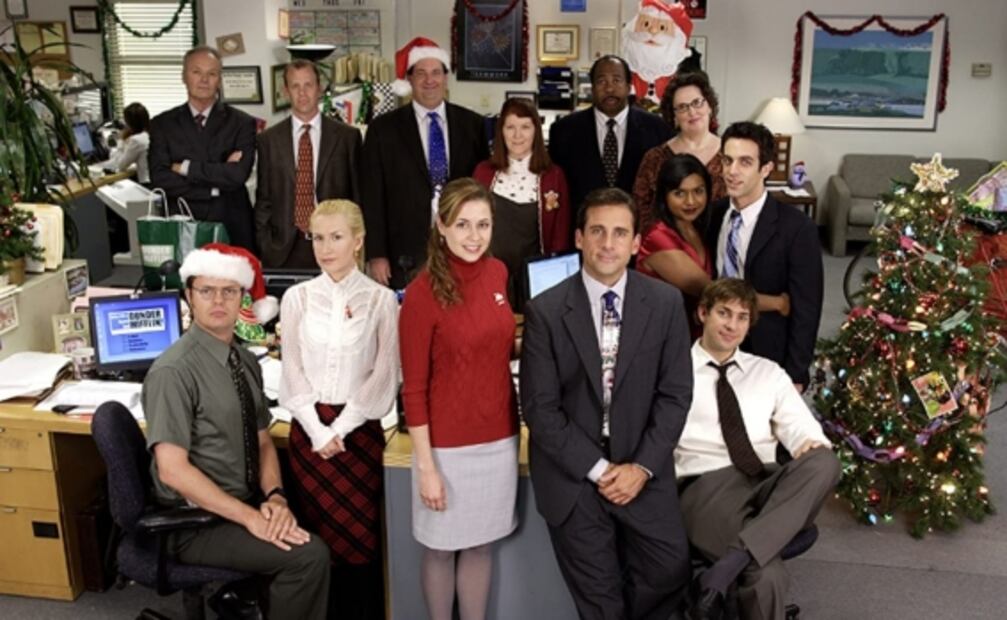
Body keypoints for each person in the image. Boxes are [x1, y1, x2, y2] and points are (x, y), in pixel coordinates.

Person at [520, 187, 693, 619]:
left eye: (620, 233)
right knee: (601, 601)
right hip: (575, 475)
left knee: (670, 569)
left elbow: (675, 395)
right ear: (579, 238)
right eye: (597, 231)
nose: (608, 243)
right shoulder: (545, 311)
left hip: (641, 466)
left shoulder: (666, 304)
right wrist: (599, 471)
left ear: (636, 243)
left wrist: (640, 468)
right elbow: (540, 409)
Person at [142, 243, 329, 620]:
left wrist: (276, 497)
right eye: (206, 291)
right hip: (195, 522)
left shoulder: (244, 361)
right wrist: (251, 518)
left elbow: (263, 441)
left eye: (229, 291)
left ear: (242, 298)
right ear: (189, 297)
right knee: (308, 557)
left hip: (241, 502)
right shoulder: (173, 372)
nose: (218, 301)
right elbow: (172, 471)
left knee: (321, 518)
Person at [677, 278, 839, 620]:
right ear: (703, 313)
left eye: (742, 317)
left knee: (825, 461)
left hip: (766, 482)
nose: (732, 325)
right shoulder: (672, 372)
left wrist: (807, 443)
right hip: (707, 487)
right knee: (767, 575)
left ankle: (726, 568)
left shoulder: (768, 373)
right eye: (724, 313)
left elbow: (800, 426)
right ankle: (735, 566)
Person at [399, 178, 518, 620]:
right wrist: (427, 468)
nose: (474, 236)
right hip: (445, 449)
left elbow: (495, 343)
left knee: (481, 545)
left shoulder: (498, 272)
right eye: (463, 224)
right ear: (442, 226)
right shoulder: (421, 293)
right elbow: (413, 387)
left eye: (483, 225)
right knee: (440, 549)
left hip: (499, 437)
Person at [279, 199, 398, 619]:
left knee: (360, 541)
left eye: (336, 237)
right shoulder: (296, 298)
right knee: (316, 542)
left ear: (358, 241)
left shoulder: (382, 300)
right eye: (318, 238)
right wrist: (318, 431)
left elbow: (383, 375)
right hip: (309, 435)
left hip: (357, 436)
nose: (325, 248)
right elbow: (291, 370)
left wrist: (339, 430)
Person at [361, 37, 488, 290]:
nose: (429, 80)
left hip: (461, 247)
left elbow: (481, 190)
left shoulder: (472, 125)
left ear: (445, 77)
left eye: (436, 72)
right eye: (421, 73)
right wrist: (377, 254)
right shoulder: (382, 130)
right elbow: (372, 196)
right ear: (409, 79)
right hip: (404, 255)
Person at [707, 121, 823, 390]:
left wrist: (796, 374)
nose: (732, 171)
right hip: (715, 346)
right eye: (728, 160)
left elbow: (807, 309)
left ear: (766, 169)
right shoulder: (713, 214)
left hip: (767, 351)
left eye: (745, 162)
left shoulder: (797, 228)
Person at [637, 154, 789, 339]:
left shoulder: (697, 227)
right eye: (679, 193)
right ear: (664, 196)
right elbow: (715, 293)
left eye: (698, 191)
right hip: (663, 336)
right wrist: (778, 303)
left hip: (696, 332)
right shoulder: (657, 238)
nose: (691, 201)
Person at [548, 55, 672, 240]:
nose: (609, 88)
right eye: (601, 81)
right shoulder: (563, 131)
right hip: (584, 240)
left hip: (639, 239)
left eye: (616, 80)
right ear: (592, 87)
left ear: (629, 86)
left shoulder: (658, 130)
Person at [148, 46, 257, 251]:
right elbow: (160, 177)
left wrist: (184, 168)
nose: (204, 80)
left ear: (220, 80)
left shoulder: (242, 122)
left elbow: (237, 175)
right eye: (196, 72)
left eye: (212, 73)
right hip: (183, 221)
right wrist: (215, 186)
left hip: (231, 224)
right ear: (183, 76)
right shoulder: (162, 124)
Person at [255, 60, 362, 268]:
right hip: (283, 248)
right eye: (295, 86)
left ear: (319, 88)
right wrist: (265, 245)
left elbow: (357, 196)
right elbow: (263, 200)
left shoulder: (347, 137)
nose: (302, 93)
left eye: (308, 85)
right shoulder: (269, 140)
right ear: (286, 91)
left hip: (335, 245)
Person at [472, 97, 571, 309]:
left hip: (535, 278)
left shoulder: (553, 176)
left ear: (536, 130)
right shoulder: (483, 172)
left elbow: (560, 235)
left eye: (525, 127)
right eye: (510, 127)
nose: (517, 135)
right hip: (489, 275)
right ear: (501, 131)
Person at [632, 71, 726, 232]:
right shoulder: (655, 158)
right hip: (666, 244)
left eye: (697, 102)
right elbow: (640, 211)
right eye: (682, 107)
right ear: (674, 116)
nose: (692, 112)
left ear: (710, 106)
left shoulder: (731, 155)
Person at [107, 102, 150, 184]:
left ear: (131, 123)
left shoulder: (137, 140)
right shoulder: (151, 133)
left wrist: (120, 140)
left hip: (148, 184)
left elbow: (120, 165)